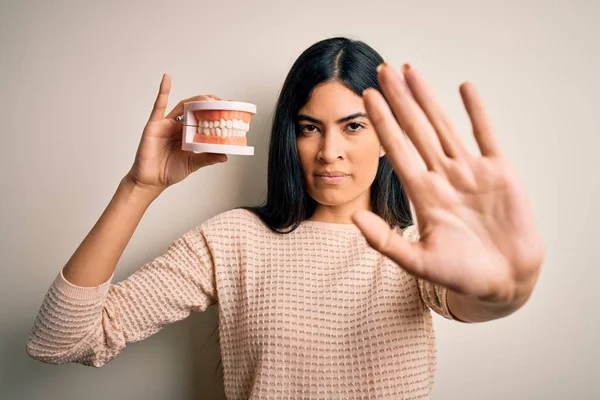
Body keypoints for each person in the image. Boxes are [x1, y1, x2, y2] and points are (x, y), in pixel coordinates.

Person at [25, 37, 544, 399]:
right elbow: (61, 341)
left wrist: (506, 291)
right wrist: (139, 187)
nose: (329, 152)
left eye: (354, 126)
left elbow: (478, 298)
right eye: (310, 127)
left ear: (388, 137)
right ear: (289, 137)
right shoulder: (234, 240)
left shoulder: (419, 251)